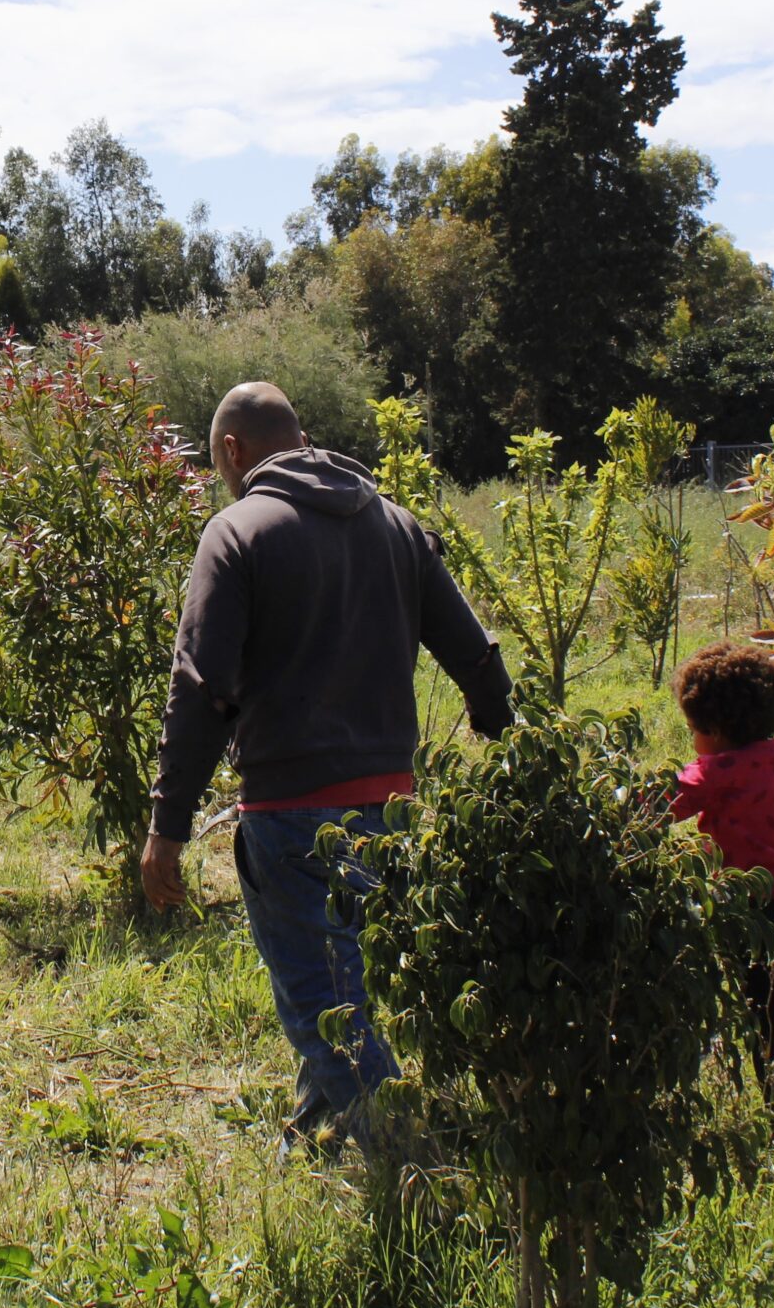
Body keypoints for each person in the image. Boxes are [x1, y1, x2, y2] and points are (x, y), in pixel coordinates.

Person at [145, 381, 514, 1146]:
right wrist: (500, 726)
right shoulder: (397, 525)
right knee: (352, 984)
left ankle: (412, 1170)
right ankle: (315, 1143)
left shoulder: (236, 531)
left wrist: (167, 826)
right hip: (394, 809)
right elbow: (472, 650)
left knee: (327, 1010)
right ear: (304, 435)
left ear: (232, 452)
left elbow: (201, 688)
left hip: (292, 817)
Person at [667, 640, 774, 1125]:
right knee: (771, 1027)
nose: (694, 741)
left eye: (694, 730)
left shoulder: (720, 769)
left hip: (759, 917)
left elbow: (656, 804)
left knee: (765, 1032)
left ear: (716, 730)